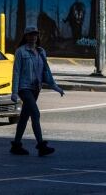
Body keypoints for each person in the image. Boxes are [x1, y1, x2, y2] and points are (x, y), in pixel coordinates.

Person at [10, 25, 65, 156]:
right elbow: (16, 72)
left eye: (35, 34)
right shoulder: (21, 52)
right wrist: (14, 92)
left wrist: (56, 87)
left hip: (36, 89)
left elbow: (46, 72)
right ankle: (41, 145)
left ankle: (16, 145)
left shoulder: (41, 52)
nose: (33, 37)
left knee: (24, 117)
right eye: (30, 34)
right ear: (26, 36)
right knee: (35, 113)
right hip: (24, 88)